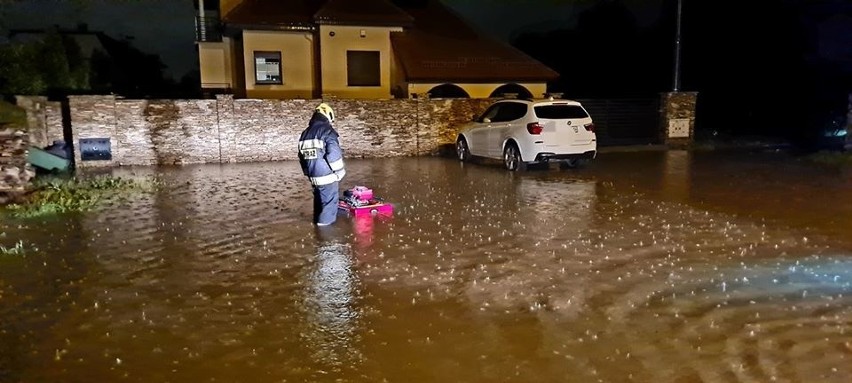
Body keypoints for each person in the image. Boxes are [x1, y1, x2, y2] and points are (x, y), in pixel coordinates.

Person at [298, 102, 346, 226]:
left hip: (314, 177)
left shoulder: (305, 133)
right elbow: (333, 154)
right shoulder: (327, 131)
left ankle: (317, 231)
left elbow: (301, 157)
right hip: (327, 176)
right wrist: (340, 172)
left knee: (319, 204)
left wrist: (308, 173)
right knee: (329, 206)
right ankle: (327, 240)